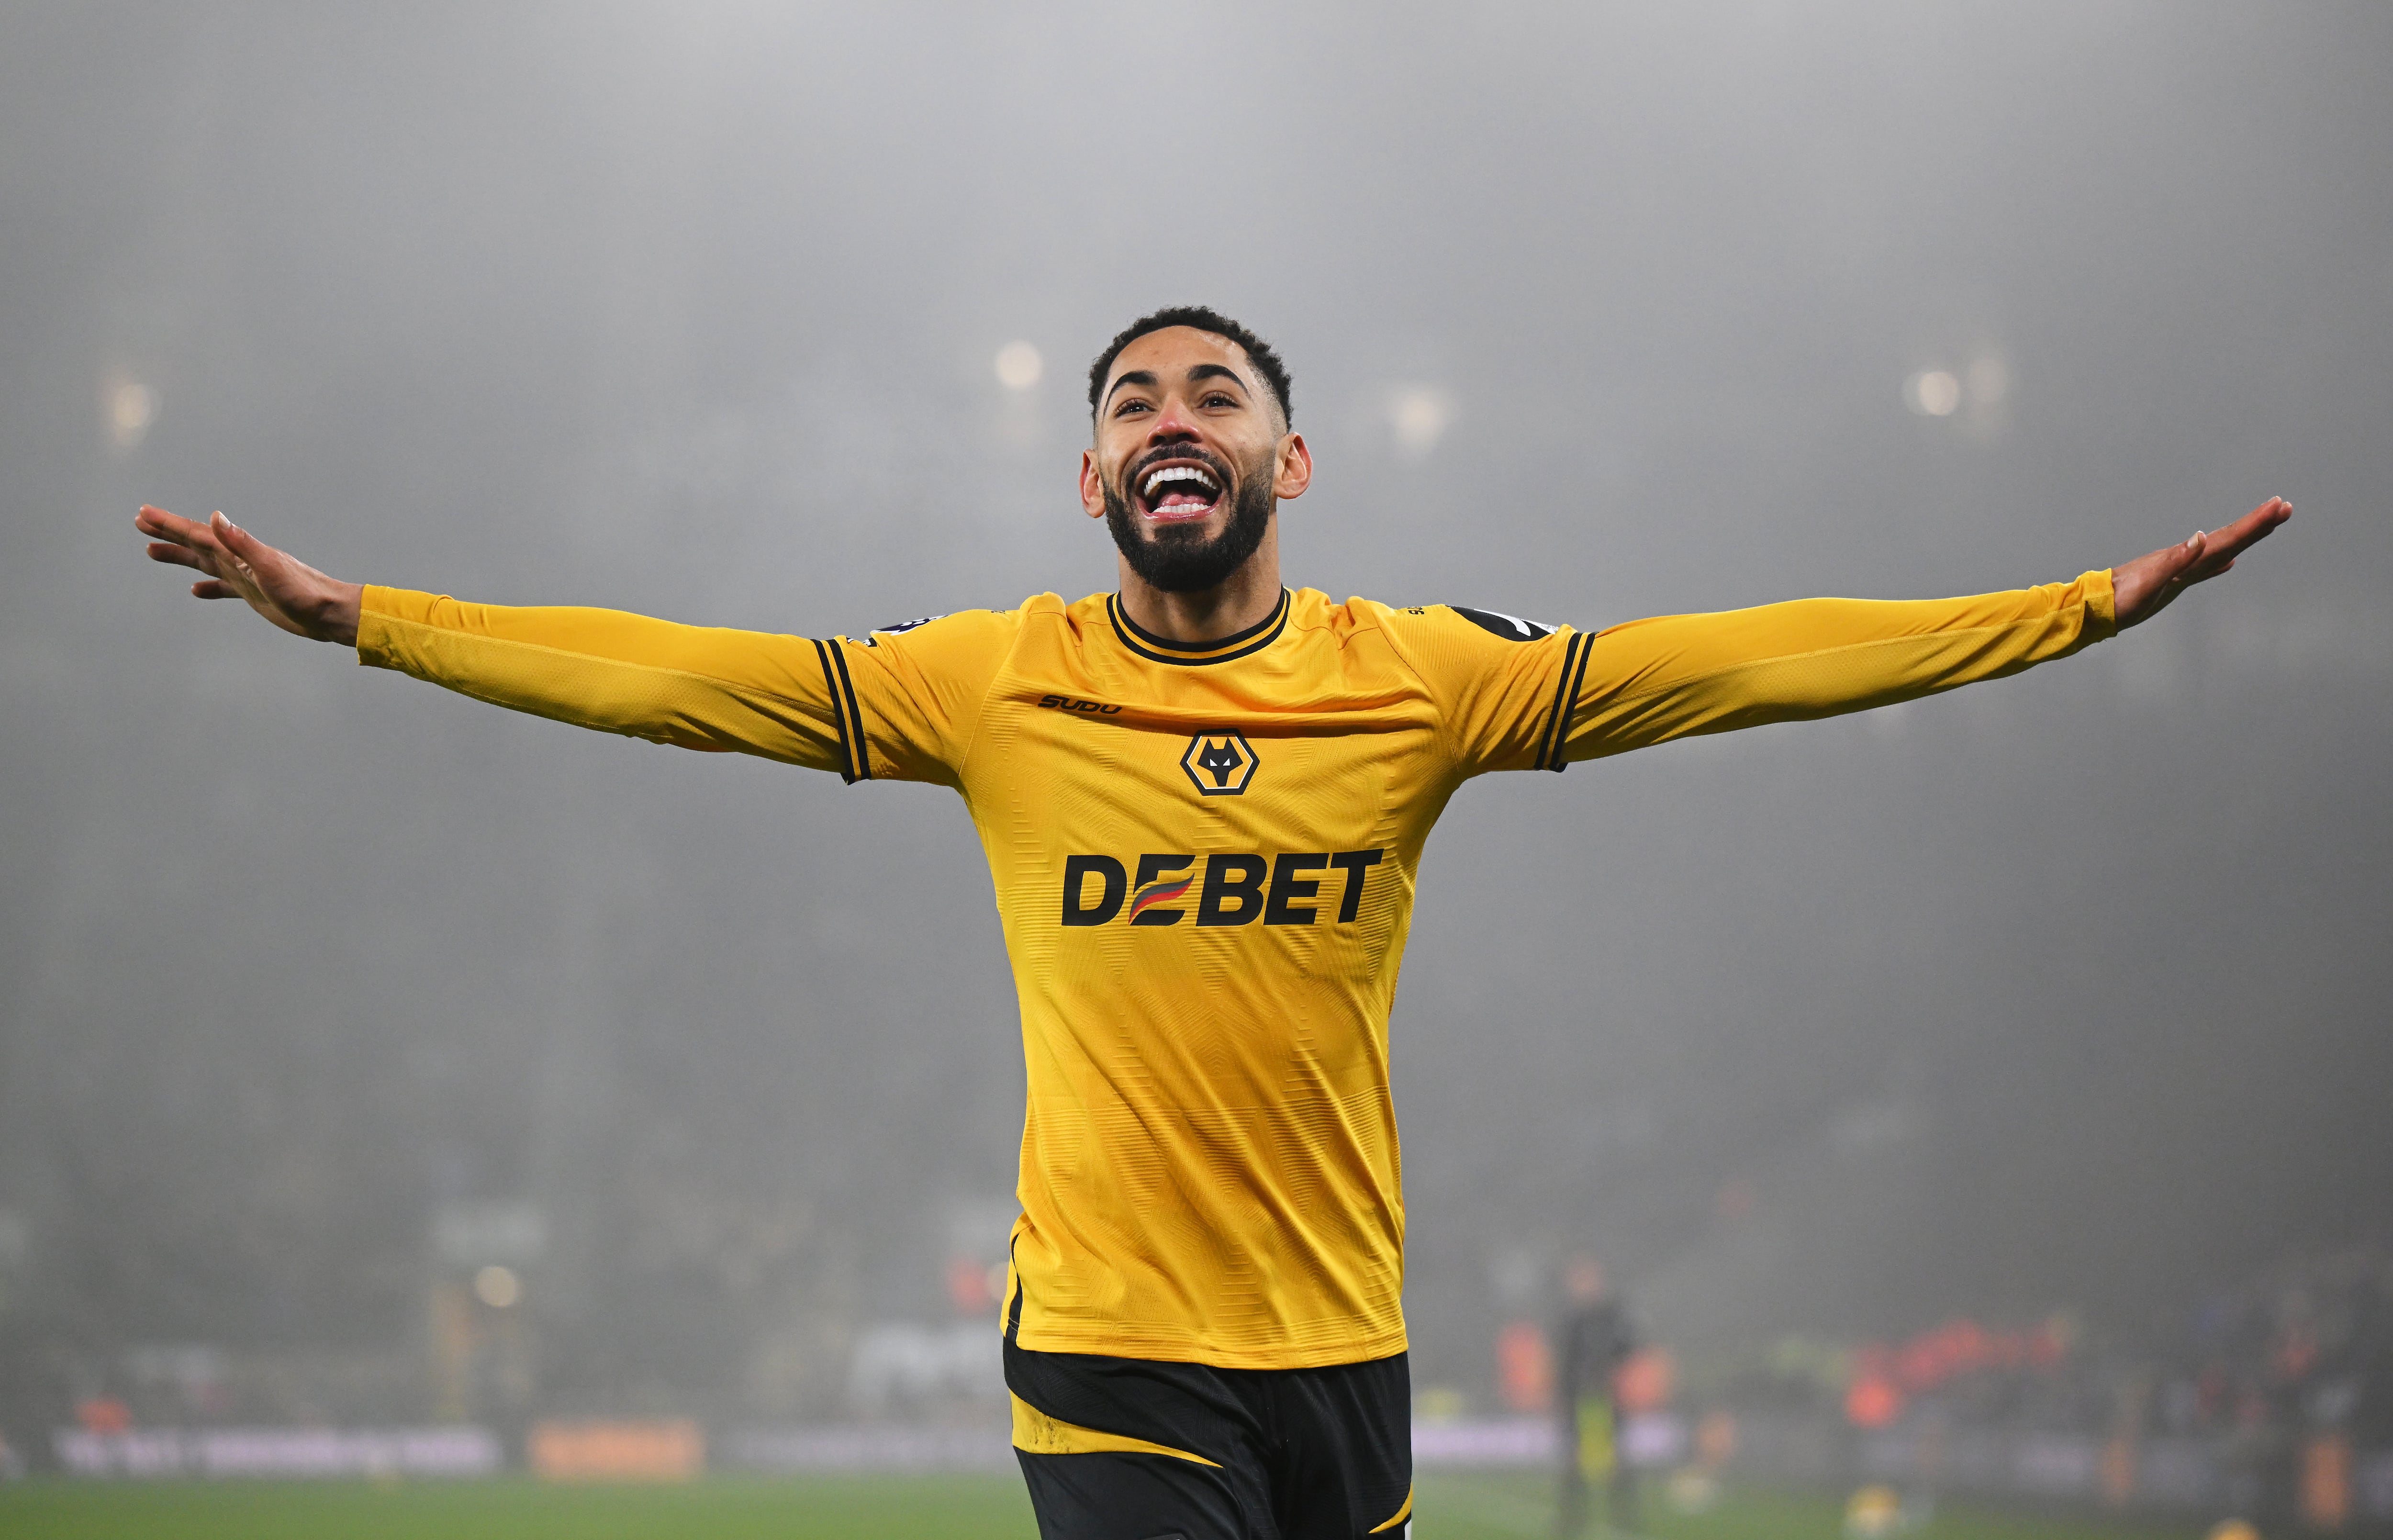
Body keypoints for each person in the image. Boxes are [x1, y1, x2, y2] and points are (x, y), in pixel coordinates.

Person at [136, 305, 2289, 1540]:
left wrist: (2065, 616)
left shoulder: (1419, 674)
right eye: (1132, 406)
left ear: (1289, 460)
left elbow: (1738, 657)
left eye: (1211, 398)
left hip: (1347, 1351)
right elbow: (676, 675)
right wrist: (367, 622)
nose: (1172, 421)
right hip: (1110, 1355)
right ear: (1093, 484)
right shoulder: (988, 679)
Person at [1554, 1257, 1636, 1538]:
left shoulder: (1611, 1316)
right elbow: (1566, 1362)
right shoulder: (1574, 1320)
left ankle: (1623, 1517)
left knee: (1615, 1459)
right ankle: (1572, 1519)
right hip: (1580, 1397)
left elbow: (1626, 1347)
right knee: (1574, 1460)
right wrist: (1563, 1395)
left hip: (1606, 1396)